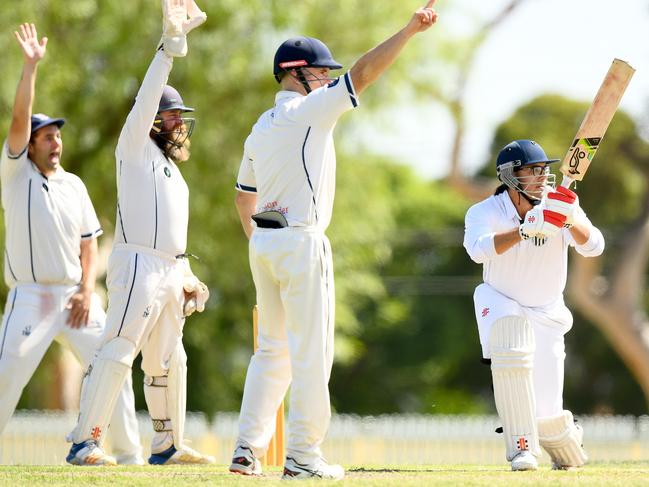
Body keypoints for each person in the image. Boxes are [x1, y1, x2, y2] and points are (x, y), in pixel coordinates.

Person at [230, 1, 439, 480]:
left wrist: (261, 246)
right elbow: (363, 74)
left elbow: (244, 197)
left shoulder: (260, 127)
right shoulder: (309, 110)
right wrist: (408, 31)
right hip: (301, 242)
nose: (328, 79)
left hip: (263, 245)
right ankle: (303, 456)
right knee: (311, 354)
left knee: (271, 352)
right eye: (321, 72)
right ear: (296, 74)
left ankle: (246, 450)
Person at [65, 0, 212, 466]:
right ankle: (85, 441)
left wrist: (187, 274)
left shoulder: (173, 172)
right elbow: (148, 96)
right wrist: (170, 46)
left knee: (170, 360)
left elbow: (174, 232)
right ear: (151, 121)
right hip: (137, 264)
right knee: (119, 350)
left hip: (169, 268)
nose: (178, 124)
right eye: (171, 117)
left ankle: (167, 445)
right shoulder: (133, 146)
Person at [0, 23, 143, 465]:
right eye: (47, 137)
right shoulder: (15, 175)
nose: (56, 141)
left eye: (58, 135)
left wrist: (85, 288)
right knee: (7, 375)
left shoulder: (74, 184)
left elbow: (88, 243)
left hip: (74, 296)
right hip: (31, 296)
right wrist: (30, 67)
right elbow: (20, 118)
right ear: (30, 147)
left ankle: (129, 454)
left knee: (110, 365)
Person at [463, 139, 605, 471]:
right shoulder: (485, 211)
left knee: (547, 413)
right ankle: (522, 449)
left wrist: (569, 219)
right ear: (511, 176)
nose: (543, 177)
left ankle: (565, 441)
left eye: (545, 170)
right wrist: (523, 230)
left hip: (547, 310)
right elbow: (477, 250)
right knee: (511, 350)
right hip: (500, 300)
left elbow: (595, 246)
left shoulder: (561, 204)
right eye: (533, 170)